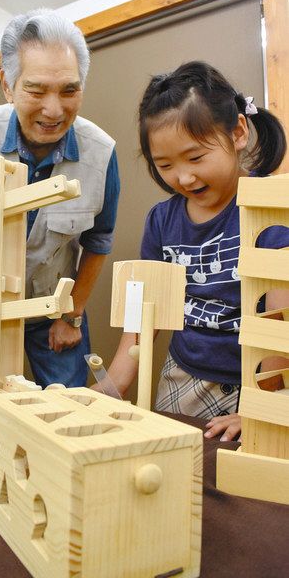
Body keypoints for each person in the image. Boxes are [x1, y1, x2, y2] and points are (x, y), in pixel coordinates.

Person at [100, 61, 288, 441]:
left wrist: (261, 405)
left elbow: (279, 321)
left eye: (196, 158)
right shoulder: (161, 221)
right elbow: (144, 314)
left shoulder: (273, 209)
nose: (183, 177)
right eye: (165, 165)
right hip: (181, 372)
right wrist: (113, 385)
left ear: (237, 132)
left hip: (259, 376)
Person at [0, 8, 120, 388]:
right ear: (8, 85)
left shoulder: (102, 152)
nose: (54, 110)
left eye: (69, 90)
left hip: (56, 306)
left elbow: (99, 240)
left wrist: (71, 314)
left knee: (69, 411)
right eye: (35, 89)